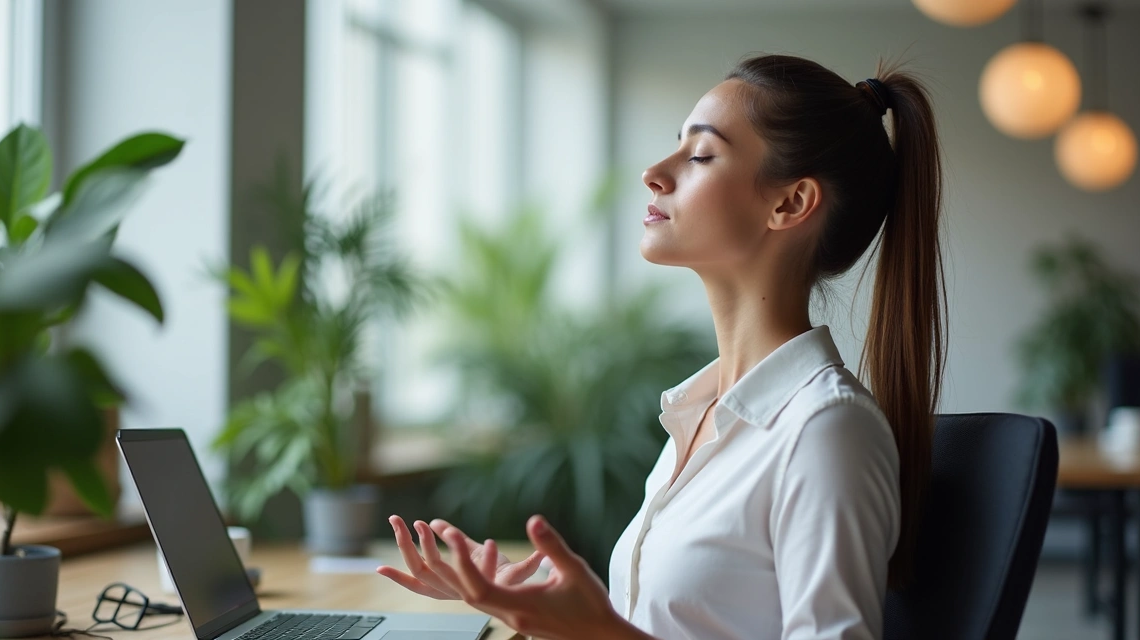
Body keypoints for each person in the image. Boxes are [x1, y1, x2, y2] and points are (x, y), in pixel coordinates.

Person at [376, 53, 946, 640]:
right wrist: (527, 604)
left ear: (790, 204)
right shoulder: (697, 413)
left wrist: (598, 632)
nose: (654, 171)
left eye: (700, 154)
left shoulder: (824, 430)